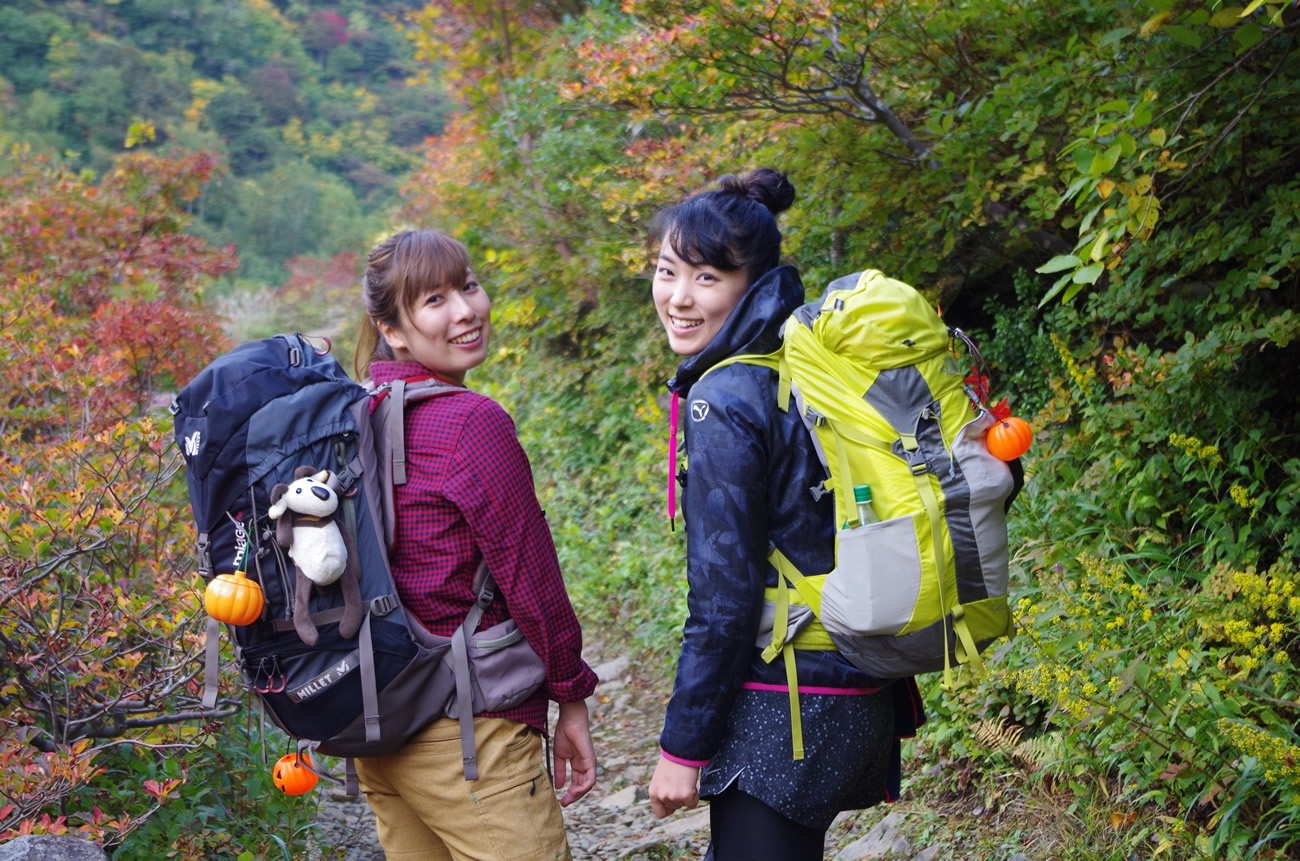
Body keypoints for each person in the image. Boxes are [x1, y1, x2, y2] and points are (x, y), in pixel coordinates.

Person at [645, 169, 926, 860]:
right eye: (666, 271)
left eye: (707, 278)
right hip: (861, 690)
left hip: (786, 702)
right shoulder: (800, 370)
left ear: (753, 283)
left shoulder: (727, 397)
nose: (679, 298)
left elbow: (724, 601)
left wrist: (683, 745)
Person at [351, 229, 598, 861]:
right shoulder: (471, 423)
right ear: (393, 329)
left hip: (378, 730)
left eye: (467, 285)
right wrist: (570, 695)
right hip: (469, 735)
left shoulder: (355, 414)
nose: (466, 310)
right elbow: (530, 578)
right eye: (434, 300)